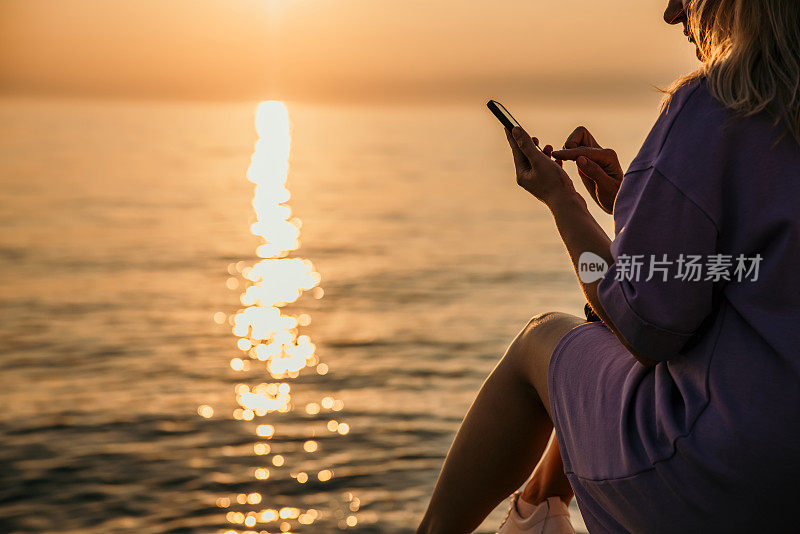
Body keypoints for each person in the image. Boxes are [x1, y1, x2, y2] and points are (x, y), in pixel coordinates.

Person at [417, 0, 800, 532]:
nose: (672, 13)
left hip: (734, 470)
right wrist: (638, 207)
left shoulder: (721, 103)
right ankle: (537, 506)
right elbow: (751, 269)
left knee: (542, 339)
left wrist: (562, 200)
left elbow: (649, 327)